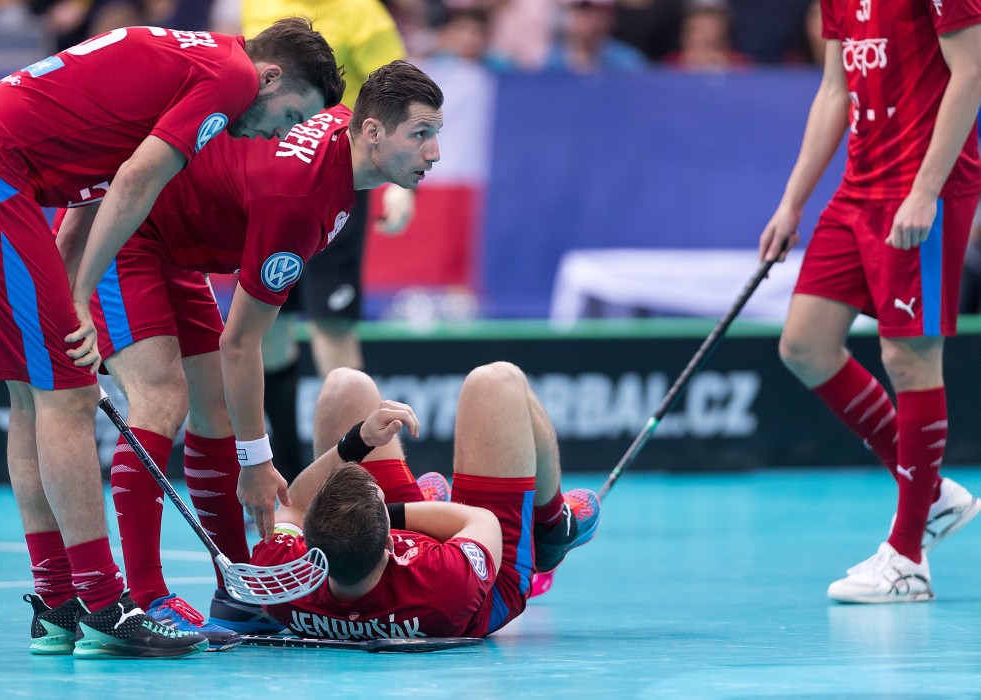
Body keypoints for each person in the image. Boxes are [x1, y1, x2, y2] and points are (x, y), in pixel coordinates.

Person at [0, 17, 342, 657]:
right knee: (66, 396)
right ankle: (103, 605)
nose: (280, 133)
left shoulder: (190, 61)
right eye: (289, 114)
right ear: (269, 77)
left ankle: (59, 603)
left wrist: (71, 284)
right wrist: (75, 298)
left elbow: (96, 185)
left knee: (29, 398)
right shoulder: (229, 76)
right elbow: (136, 182)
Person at [59, 60, 442, 644]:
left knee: (214, 411)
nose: (434, 152)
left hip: (176, 243)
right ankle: (143, 599)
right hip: (128, 232)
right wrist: (257, 462)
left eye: (435, 134)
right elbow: (240, 344)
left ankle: (234, 587)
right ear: (369, 132)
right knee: (163, 400)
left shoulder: (338, 141)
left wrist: (246, 452)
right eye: (420, 135)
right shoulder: (303, 201)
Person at [758, 0, 981, 603]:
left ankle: (907, 557)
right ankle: (933, 496)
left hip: (922, 188)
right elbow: (835, 91)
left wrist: (926, 190)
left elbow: (972, 71)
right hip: (858, 189)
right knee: (804, 345)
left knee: (909, 357)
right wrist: (792, 203)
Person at [250, 361, 601, 639]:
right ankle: (555, 526)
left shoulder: (282, 580)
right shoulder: (448, 580)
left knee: (345, 385)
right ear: (389, 540)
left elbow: (293, 504)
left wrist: (358, 440)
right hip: (488, 575)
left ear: (312, 549)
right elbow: (478, 521)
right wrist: (387, 514)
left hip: (378, 549)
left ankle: (412, 501)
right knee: (496, 380)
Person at [244, 0, 417, 482]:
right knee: (270, 329)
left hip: (338, 182)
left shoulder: (365, 15)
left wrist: (405, 191)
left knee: (332, 332)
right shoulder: (257, 5)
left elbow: (400, 99)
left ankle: (377, 475)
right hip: (273, 189)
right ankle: (290, 469)